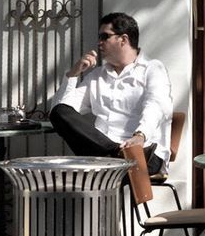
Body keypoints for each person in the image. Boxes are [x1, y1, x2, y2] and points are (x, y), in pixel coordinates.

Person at [48, 12, 174, 175]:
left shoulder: (153, 68)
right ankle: (114, 154)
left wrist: (140, 135)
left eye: (104, 37)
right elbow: (60, 111)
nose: (99, 43)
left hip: (143, 153)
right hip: (103, 156)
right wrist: (74, 73)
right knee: (59, 112)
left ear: (123, 40)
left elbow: (156, 105)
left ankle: (116, 156)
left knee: (120, 157)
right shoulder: (97, 76)